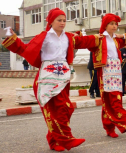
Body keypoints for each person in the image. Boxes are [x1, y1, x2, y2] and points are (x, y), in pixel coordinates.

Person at [2, 8, 101, 151]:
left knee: (66, 108)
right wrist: (14, 38)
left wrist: (99, 37)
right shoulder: (44, 37)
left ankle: (53, 141)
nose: (62, 23)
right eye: (59, 20)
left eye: (64, 20)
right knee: (57, 109)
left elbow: (84, 40)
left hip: (63, 77)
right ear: (51, 21)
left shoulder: (69, 37)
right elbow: (25, 49)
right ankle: (66, 139)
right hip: (47, 78)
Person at [88, 13, 126, 138]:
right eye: (111, 23)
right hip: (105, 73)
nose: (114, 26)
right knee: (112, 100)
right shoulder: (99, 38)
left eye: (116, 24)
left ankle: (109, 128)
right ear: (105, 25)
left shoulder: (116, 39)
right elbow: (84, 43)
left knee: (112, 100)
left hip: (116, 72)